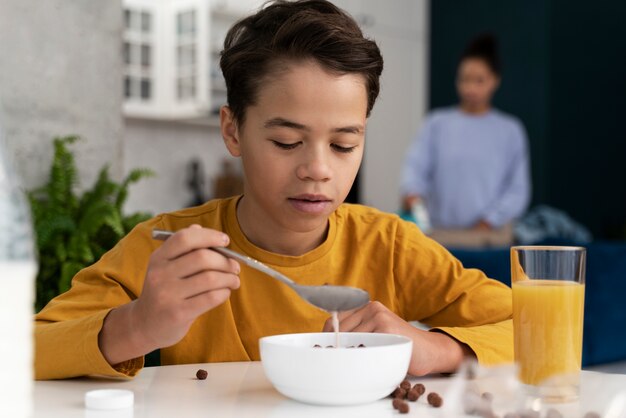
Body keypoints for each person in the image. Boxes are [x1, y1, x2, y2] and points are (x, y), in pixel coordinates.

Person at [34, 1, 513, 380]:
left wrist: (437, 347)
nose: (317, 169)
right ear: (233, 131)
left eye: (344, 144)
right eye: (287, 141)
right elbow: (26, 350)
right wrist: (137, 325)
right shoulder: (172, 249)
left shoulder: (389, 246)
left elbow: (533, 328)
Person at [401, 34, 531, 241]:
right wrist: (412, 194)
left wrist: (490, 220)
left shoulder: (510, 130)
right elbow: (415, 168)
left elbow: (518, 190)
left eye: (479, 80)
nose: (470, 88)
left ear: (495, 81)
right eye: (464, 80)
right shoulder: (436, 123)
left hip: (488, 235)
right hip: (439, 235)